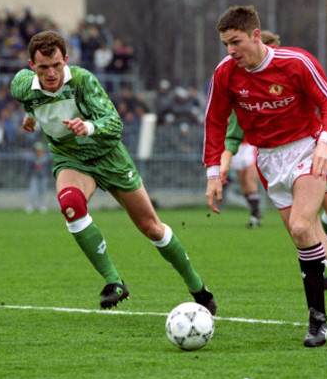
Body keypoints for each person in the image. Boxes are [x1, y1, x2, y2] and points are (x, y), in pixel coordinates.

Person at [204, 6, 327, 347]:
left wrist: (325, 143)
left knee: (301, 226)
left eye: (235, 41)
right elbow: (214, 121)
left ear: (255, 35)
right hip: (268, 161)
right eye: (225, 44)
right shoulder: (225, 74)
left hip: (307, 150)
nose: (230, 51)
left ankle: (318, 322)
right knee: (316, 248)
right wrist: (214, 171)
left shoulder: (296, 62)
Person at [11, 30, 216, 314]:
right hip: (71, 158)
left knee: (151, 228)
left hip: (109, 156)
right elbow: (29, 100)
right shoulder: (22, 85)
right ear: (32, 65)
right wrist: (31, 115)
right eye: (43, 67)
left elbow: (114, 124)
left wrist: (88, 127)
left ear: (66, 60)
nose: (51, 73)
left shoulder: (82, 81)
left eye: (57, 65)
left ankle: (199, 288)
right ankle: (113, 282)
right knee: (70, 205)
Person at [221, 29, 327, 289]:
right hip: (273, 156)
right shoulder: (243, 82)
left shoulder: (294, 67)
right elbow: (234, 124)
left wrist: (326, 141)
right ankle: (324, 263)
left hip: (311, 151)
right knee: (301, 226)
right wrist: (224, 155)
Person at [26, 141, 51, 213]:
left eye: (40, 151)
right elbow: (29, 168)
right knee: (32, 191)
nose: (39, 152)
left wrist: (48, 174)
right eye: (38, 151)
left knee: (43, 191)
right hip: (34, 176)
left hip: (43, 176)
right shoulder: (32, 158)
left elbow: (49, 168)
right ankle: (30, 205)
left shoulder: (46, 158)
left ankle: (42, 206)